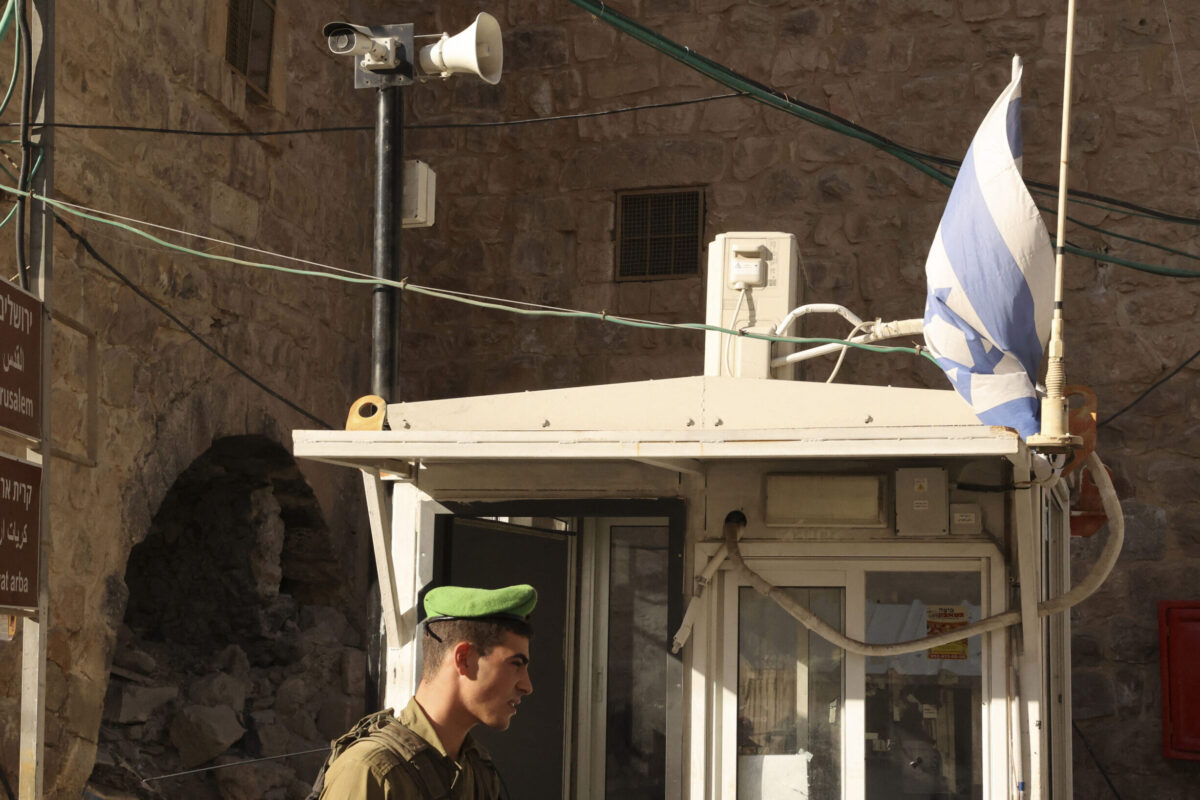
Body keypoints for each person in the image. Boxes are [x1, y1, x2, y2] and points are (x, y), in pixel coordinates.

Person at [310, 584, 536, 800]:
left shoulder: (478, 772)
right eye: (515, 664)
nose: (527, 686)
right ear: (464, 659)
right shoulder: (371, 770)